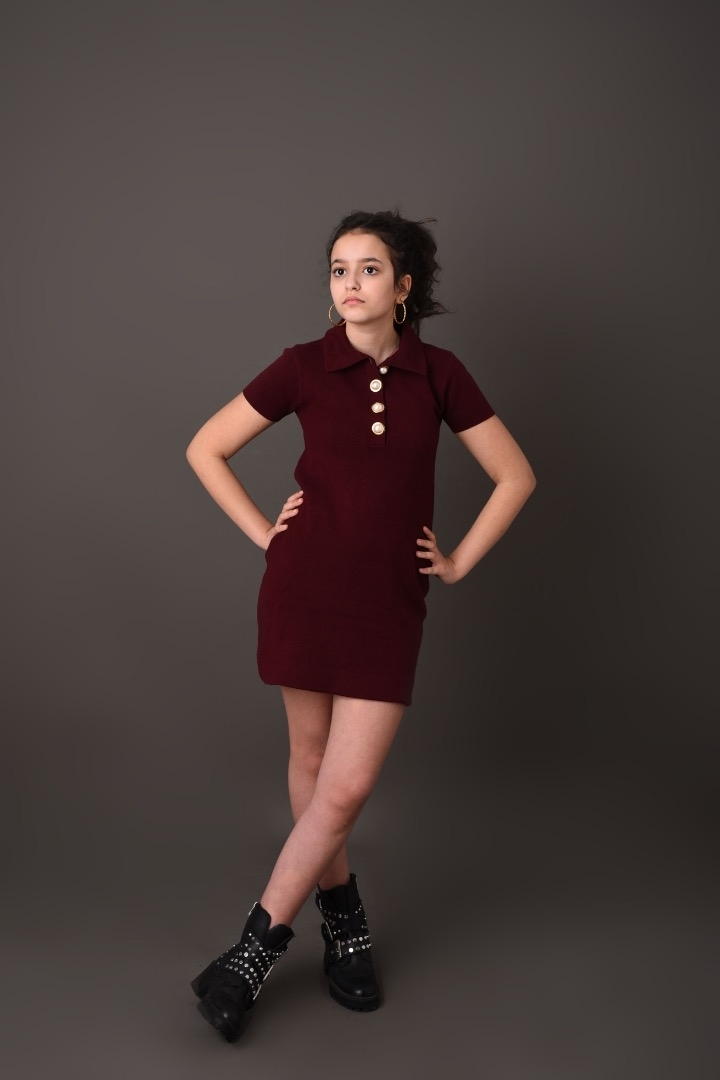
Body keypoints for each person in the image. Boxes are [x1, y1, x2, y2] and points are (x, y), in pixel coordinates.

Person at [185, 208, 536, 1042]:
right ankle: (343, 918)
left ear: (403, 287)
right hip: (302, 591)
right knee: (312, 765)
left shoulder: (440, 374)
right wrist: (265, 533)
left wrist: (457, 560)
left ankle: (251, 952)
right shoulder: (302, 366)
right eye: (339, 269)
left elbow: (515, 475)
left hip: (387, 606)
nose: (350, 283)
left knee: (343, 789)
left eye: (369, 269)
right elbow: (206, 447)